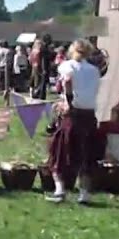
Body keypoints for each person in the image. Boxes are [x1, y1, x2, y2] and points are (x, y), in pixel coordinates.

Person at [47, 40, 102, 204]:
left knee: (59, 152)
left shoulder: (67, 66)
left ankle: (60, 190)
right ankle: (84, 193)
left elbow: (67, 81)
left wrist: (68, 102)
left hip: (73, 114)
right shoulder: (94, 70)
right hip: (89, 114)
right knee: (86, 154)